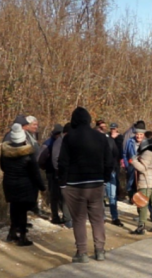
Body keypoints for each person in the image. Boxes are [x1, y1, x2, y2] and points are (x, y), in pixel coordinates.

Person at [58, 107, 114, 263]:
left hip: (75, 184)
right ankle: (100, 250)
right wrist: (104, 179)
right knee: (97, 218)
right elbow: (109, 161)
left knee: (79, 219)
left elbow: (63, 163)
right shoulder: (100, 137)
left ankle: (82, 253)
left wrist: (62, 183)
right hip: (96, 182)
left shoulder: (69, 138)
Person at [1, 124, 46, 246]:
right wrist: (42, 187)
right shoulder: (28, 155)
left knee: (14, 208)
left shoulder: (5, 152)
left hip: (9, 184)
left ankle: (12, 232)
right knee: (22, 211)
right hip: (25, 185)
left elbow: (3, 167)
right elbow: (35, 173)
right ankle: (22, 237)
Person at [131, 132, 152, 234]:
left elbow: (143, 168)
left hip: (146, 181)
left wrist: (133, 161)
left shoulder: (147, 152)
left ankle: (141, 227)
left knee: (142, 203)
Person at [49, 123, 72, 228]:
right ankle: (67, 219)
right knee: (63, 197)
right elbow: (55, 159)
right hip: (61, 174)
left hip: (68, 173)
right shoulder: (59, 142)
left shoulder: (67, 141)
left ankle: (68, 218)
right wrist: (59, 171)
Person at [39, 124, 64, 223]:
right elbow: (40, 159)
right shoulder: (49, 143)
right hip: (52, 172)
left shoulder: (51, 142)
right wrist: (46, 167)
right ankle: (56, 216)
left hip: (55, 171)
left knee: (58, 195)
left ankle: (61, 215)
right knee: (55, 195)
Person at [101, 121, 123, 227]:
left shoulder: (111, 140)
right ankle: (104, 217)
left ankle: (114, 217)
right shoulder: (104, 140)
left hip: (110, 171)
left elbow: (117, 154)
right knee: (103, 196)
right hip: (102, 172)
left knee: (111, 196)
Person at [124, 127, 145, 198]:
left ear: (144, 135)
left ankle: (141, 198)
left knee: (141, 183)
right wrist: (127, 165)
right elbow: (125, 154)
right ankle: (132, 198)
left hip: (143, 166)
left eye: (141, 134)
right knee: (131, 182)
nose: (139, 136)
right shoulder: (129, 141)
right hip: (131, 165)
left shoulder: (147, 142)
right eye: (137, 134)